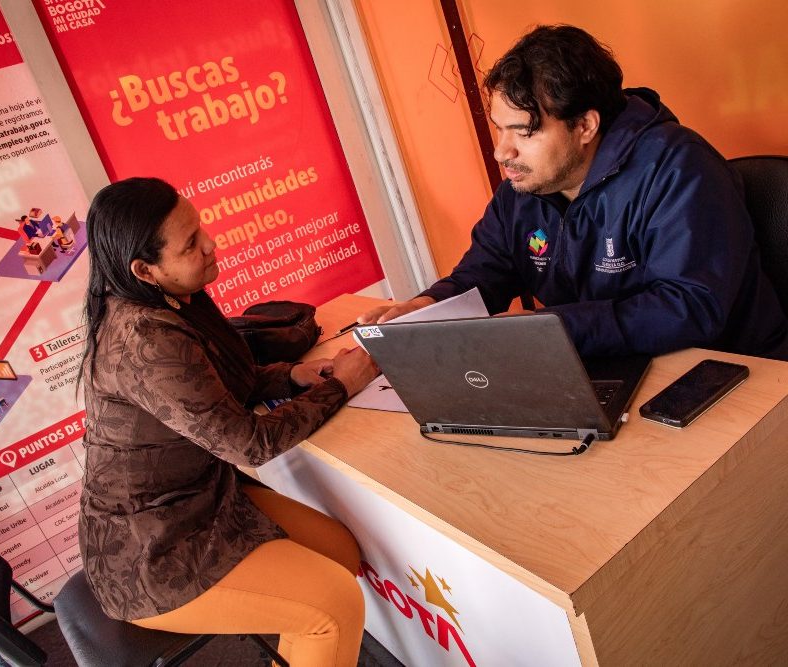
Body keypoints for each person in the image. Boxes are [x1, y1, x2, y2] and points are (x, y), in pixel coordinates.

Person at [78, 177, 378, 667]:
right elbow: (249, 445)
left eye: (200, 228)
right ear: (145, 270)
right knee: (333, 606)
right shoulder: (144, 339)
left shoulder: (173, 298)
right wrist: (341, 385)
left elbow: (216, 387)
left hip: (204, 502)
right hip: (151, 550)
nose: (212, 243)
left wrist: (294, 375)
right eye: (192, 242)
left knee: (338, 554)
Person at [359, 25, 788, 360]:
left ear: (585, 126)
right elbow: (484, 273)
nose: (500, 151)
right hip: (617, 368)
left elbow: (691, 306)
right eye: (498, 128)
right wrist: (429, 304)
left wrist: (554, 328)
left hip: (737, 376)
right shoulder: (525, 184)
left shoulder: (679, 169)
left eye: (523, 132)